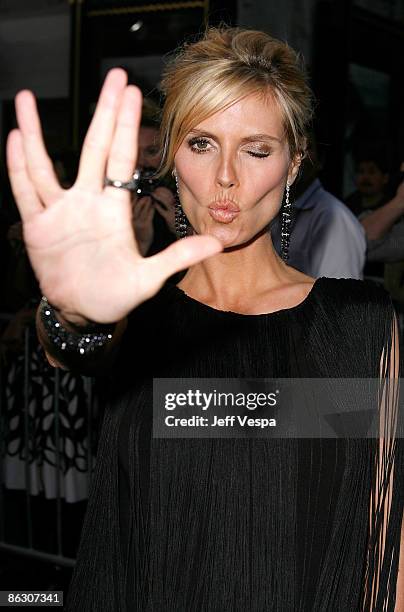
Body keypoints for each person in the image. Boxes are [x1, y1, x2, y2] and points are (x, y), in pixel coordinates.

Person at [6, 27, 404, 611]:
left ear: (292, 165)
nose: (225, 177)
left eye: (256, 149)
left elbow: (387, 533)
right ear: (171, 156)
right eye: (201, 144)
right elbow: (69, 345)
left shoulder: (359, 329)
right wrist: (72, 313)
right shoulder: (136, 322)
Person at [271, 136, 366, 279]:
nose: (297, 157)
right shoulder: (271, 209)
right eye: (290, 147)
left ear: (321, 160)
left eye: (305, 148)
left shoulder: (333, 219)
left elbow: (336, 297)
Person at [131, 98, 177, 256]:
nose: (140, 162)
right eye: (130, 153)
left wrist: (182, 230)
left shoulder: (187, 199)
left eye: (151, 151)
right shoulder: (103, 205)